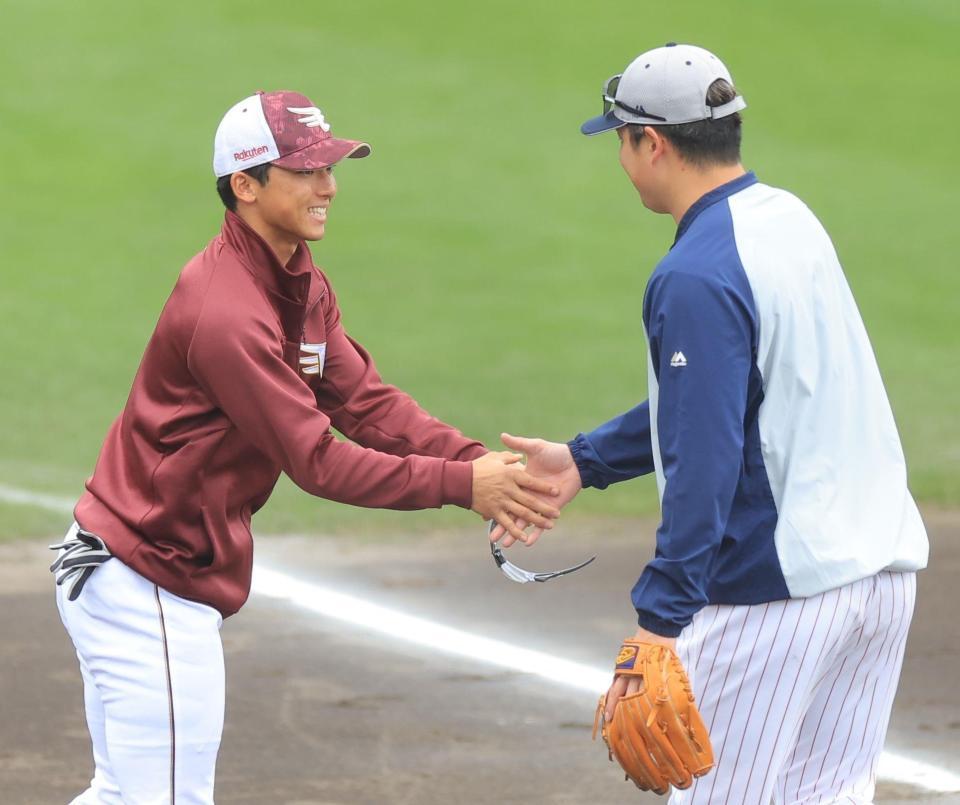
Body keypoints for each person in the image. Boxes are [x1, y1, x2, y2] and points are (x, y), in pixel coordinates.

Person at [52, 90, 561, 804]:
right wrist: (461, 486)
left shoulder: (296, 278)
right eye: (306, 170)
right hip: (148, 579)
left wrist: (479, 464)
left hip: (146, 569)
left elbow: (364, 400)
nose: (330, 185)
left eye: (330, 166)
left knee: (126, 793)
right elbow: (316, 458)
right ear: (245, 185)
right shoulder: (225, 310)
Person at [491, 43, 929, 803]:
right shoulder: (789, 218)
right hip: (880, 581)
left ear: (651, 143)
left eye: (621, 139)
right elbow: (744, 394)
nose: (622, 156)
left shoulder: (694, 272)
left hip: (777, 597)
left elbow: (707, 452)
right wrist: (587, 459)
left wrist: (662, 618)